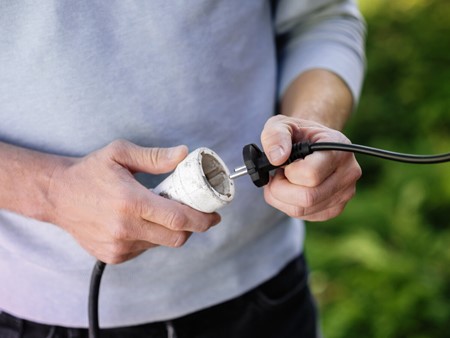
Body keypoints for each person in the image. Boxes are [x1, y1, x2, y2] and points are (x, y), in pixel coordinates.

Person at [0, 1, 365, 337]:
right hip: (46, 313)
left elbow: (321, 19)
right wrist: (50, 189)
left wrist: (310, 131)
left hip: (266, 293)